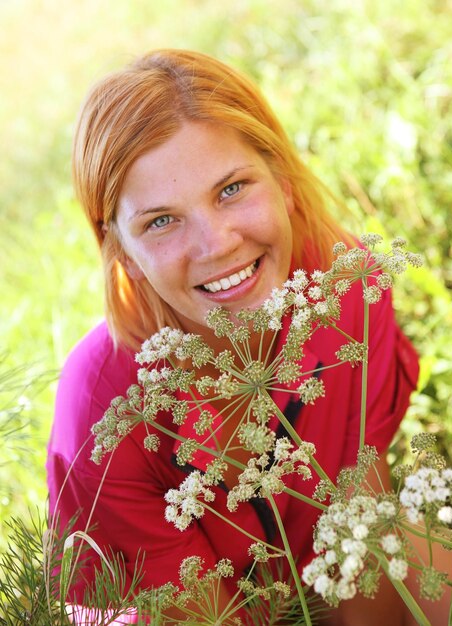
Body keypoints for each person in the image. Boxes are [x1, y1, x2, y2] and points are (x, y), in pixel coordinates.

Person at [47, 49, 422, 624]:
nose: (217, 244)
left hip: (328, 574)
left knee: (431, 566)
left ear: (283, 182)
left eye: (231, 189)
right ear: (121, 249)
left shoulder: (348, 287)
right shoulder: (103, 409)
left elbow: (363, 534)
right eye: (161, 221)